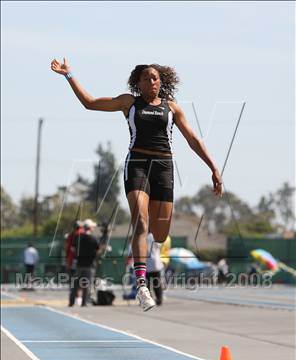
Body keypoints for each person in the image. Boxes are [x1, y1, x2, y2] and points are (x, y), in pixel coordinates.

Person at [51, 59, 223, 312]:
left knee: (161, 233)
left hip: (164, 166)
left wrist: (213, 167)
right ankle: (142, 284)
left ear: (160, 82)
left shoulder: (173, 108)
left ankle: (146, 268)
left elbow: (193, 139)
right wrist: (69, 75)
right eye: (146, 78)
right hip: (138, 163)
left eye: (155, 78)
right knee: (140, 221)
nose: (151, 81)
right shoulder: (128, 102)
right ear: (138, 83)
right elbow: (89, 103)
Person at [69, 219, 99, 307]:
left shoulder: (78, 237)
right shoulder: (93, 238)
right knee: (87, 284)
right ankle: (84, 302)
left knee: (75, 284)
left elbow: (73, 249)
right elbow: (97, 250)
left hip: (78, 264)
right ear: (90, 228)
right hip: (89, 265)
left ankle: (71, 302)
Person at [146, 232, 164, 306]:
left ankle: (149, 300)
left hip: (148, 263)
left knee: (148, 284)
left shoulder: (144, 237)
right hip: (156, 263)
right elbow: (159, 245)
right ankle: (159, 299)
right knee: (157, 283)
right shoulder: (155, 236)